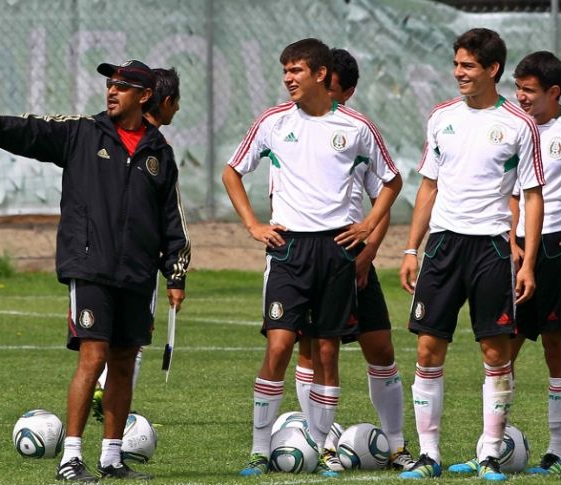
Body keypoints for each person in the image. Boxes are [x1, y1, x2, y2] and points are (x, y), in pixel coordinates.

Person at [0, 59, 191, 483]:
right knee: (93, 357)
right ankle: (71, 456)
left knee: (124, 364)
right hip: (90, 267)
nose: (112, 90)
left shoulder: (159, 152)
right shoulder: (82, 133)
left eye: (123, 85)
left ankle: (111, 458)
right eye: (110, 83)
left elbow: (171, 219)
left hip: (139, 274)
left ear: (144, 96)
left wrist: (176, 273)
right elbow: (29, 131)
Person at [222, 37, 402, 477]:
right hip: (288, 248)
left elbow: (392, 180)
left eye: (296, 71)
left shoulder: (357, 126)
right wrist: (253, 225)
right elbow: (232, 171)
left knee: (326, 350)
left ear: (321, 74)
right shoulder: (272, 121)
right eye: (285, 71)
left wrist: (367, 226)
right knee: (280, 345)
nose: (288, 79)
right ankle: (258, 450)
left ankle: (321, 449)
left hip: (336, 249)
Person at [397, 28, 544, 481]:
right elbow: (427, 186)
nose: (458, 73)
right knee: (427, 347)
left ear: (492, 69)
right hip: (443, 245)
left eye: (468, 66)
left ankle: (490, 455)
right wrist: (410, 248)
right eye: (456, 64)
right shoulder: (441, 117)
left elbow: (533, 196)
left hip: (493, 248)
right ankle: (429, 455)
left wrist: (529, 261)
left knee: (495, 351)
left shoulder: (520, 124)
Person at [293, 47, 414, 472]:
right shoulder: (290, 126)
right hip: (308, 258)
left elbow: (383, 191)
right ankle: (316, 444)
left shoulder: (357, 132)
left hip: (351, 259)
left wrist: (368, 253)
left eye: (340, 93)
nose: (334, 101)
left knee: (379, 346)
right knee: (312, 351)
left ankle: (398, 446)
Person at [448, 51, 561, 477]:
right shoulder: (512, 127)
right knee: (502, 349)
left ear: (555, 92)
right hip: (514, 247)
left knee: (555, 347)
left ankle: (556, 448)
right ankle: (489, 449)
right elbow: (514, 190)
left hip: (556, 249)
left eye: (530, 91)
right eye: (518, 89)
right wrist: (512, 240)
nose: (522, 98)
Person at [91, 66, 182, 424]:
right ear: (166, 101)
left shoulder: (130, 137)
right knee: (134, 334)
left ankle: (104, 387)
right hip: (136, 258)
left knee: (115, 335)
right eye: (177, 103)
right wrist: (176, 266)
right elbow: (170, 212)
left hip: (107, 255)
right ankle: (107, 390)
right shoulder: (157, 147)